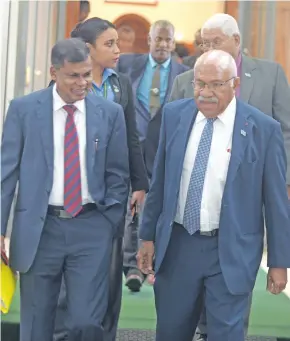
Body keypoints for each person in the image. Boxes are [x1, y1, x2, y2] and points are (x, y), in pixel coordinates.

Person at [137, 50, 290, 341]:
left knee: (226, 335)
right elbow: (161, 183)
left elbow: (276, 203)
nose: (205, 93)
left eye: (216, 85)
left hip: (231, 250)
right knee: (170, 332)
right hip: (179, 247)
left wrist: (279, 262)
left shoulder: (262, 130)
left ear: (234, 84)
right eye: (199, 83)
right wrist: (147, 237)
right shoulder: (174, 116)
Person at [1, 38, 129, 341]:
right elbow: (6, 175)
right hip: (39, 230)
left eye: (87, 74)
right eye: (74, 75)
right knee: (37, 323)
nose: (82, 83)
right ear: (54, 72)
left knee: (86, 321)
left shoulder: (109, 113)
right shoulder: (23, 110)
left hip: (90, 227)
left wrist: (107, 222)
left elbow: (118, 175)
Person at [51, 18, 149, 341]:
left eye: (117, 43)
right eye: (110, 44)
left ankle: (106, 333)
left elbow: (132, 137)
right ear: (87, 49)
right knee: (71, 279)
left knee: (108, 274)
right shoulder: (63, 87)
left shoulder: (119, 83)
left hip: (113, 195)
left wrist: (140, 184)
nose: (118, 50)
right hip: (74, 196)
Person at [116, 19, 189, 292]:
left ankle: (150, 265)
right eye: (159, 39)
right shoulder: (127, 65)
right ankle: (131, 266)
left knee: (155, 207)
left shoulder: (186, 74)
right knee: (129, 207)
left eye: (168, 40)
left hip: (163, 151)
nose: (163, 45)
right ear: (149, 39)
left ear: (173, 43)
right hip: (129, 147)